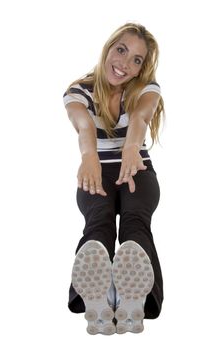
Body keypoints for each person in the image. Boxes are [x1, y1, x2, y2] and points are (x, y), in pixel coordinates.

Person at [63, 22, 165, 335]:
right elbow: (84, 126)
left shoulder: (147, 88)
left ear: (141, 68)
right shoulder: (78, 91)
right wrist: (89, 157)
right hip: (96, 169)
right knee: (99, 221)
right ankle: (100, 298)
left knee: (135, 223)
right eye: (121, 50)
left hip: (136, 170)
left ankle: (134, 299)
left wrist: (132, 147)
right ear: (109, 47)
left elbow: (140, 118)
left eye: (136, 59)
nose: (125, 63)